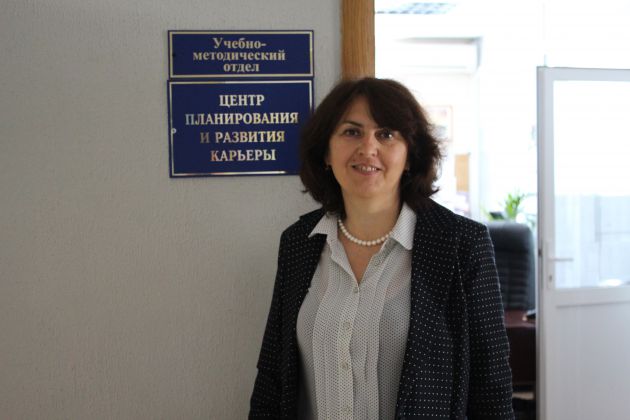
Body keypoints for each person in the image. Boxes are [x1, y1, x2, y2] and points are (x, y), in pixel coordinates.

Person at [250, 78, 514, 419]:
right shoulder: (299, 243)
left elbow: (491, 393)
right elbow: (272, 379)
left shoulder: (462, 246)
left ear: (410, 155)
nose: (368, 148)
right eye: (351, 132)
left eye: (386, 134)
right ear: (326, 152)